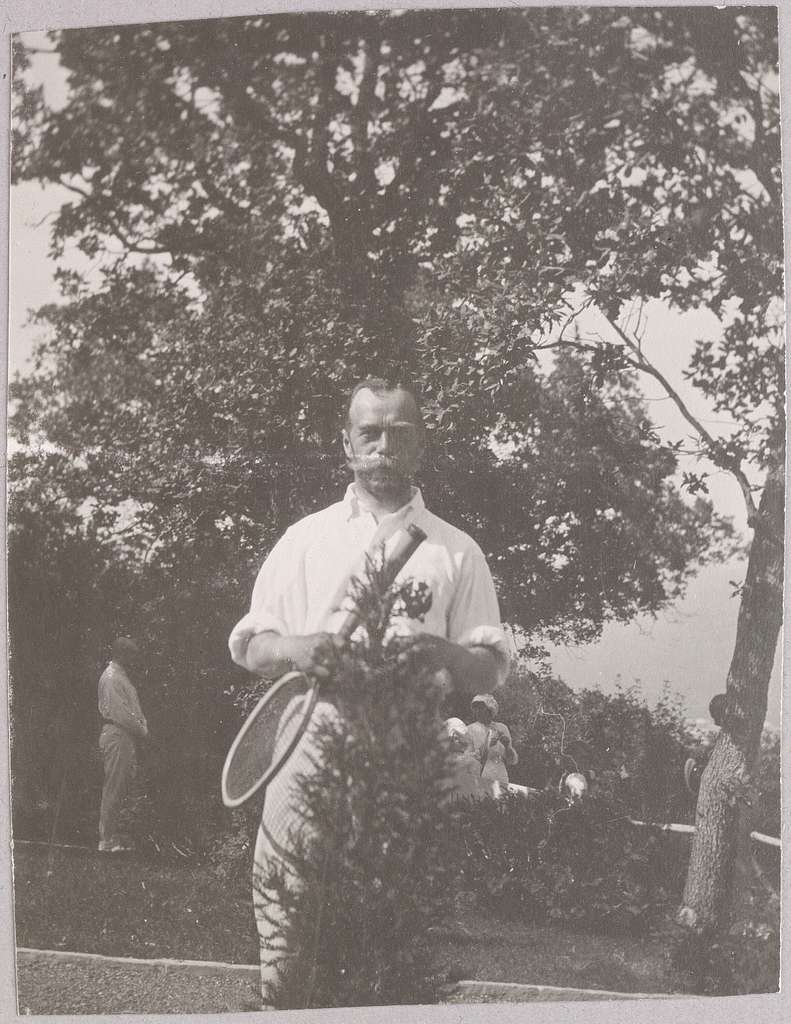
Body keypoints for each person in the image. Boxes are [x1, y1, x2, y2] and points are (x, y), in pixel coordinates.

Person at [228, 377, 510, 1002]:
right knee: (288, 903)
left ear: (420, 445)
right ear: (347, 445)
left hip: (410, 741)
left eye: (399, 435)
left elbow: (489, 669)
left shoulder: (456, 549)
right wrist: (299, 648)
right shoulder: (306, 537)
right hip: (308, 729)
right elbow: (252, 643)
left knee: (398, 918)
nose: (384, 447)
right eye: (370, 434)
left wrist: (440, 652)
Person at [97, 637, 148, 853]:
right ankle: (106, 839)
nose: (134, 660)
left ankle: (114, 837)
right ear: (122, 654)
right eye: (131, 655)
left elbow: (133, 710)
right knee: (115, 786)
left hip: (125, 735)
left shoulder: (121, 677)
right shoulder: (111, 678)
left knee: (123, 785)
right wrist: (143, 729)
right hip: (117, 733)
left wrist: (142, 725)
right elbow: (122, 713)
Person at [467, 693, 517, 795]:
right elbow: (468, 759)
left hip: (501, 775)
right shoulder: (469, 729)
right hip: (481, 775)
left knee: (501, 806)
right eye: (475, 708)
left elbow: (511, 761)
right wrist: (487, 744)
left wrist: (507, 747)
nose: (477, 711)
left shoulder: (502, 727)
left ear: (490, 709)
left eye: (481, 707)